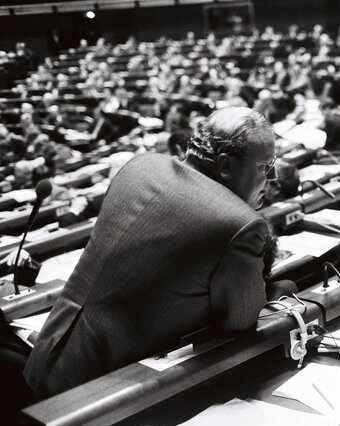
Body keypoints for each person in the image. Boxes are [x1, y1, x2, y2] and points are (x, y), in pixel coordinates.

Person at [24, 107, 277, 399]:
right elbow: (243, 321)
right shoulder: (239, 224)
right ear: (224, 164)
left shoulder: (139, 166)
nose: (273, 177)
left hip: (48, 353)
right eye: (265, 166)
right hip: (105, 393)